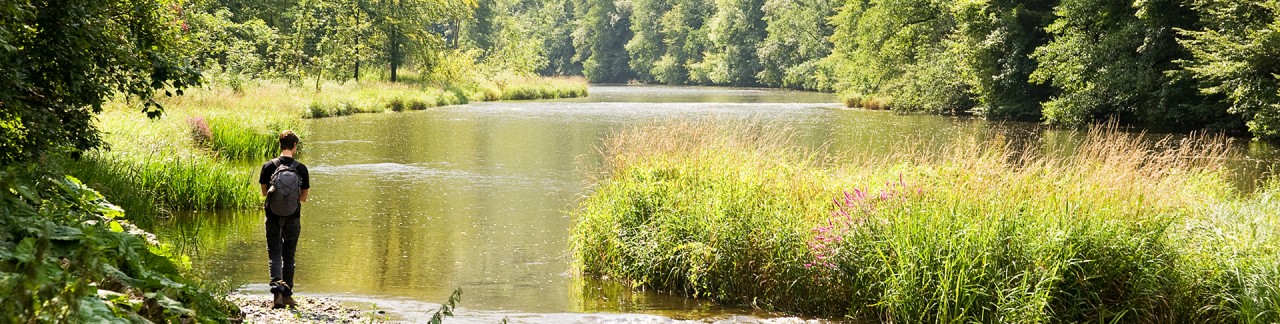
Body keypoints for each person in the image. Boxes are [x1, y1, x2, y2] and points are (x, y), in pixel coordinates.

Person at [259, 130, 310, 309]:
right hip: (293, 216)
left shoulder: (268, 166)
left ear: (280, 145)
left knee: (275, 253)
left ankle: (277, 296)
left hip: (272, 216)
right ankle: (288, 295)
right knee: (289, 255)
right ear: (295, 146)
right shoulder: (301, 168)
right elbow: (303, 198)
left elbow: (265, 193)